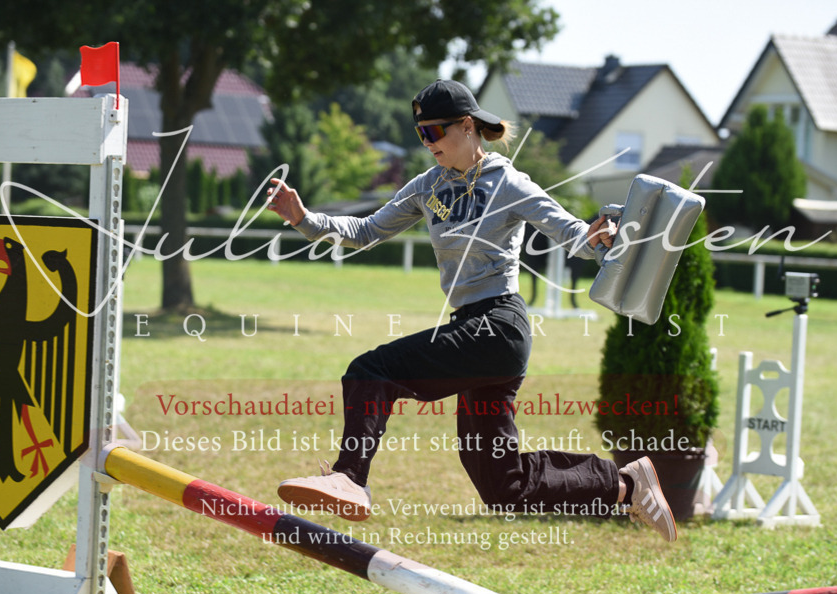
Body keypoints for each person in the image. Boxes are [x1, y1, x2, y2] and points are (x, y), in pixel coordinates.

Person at [265, 79, 678, 542]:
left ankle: (348, 477)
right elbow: (366, 230)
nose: (428, 144)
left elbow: (571, 234)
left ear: (467, 126)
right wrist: (304, 219)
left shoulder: (507, 181)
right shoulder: (427, 187)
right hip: (472, 331)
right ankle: (625, 484)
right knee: (505, 487)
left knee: (371, 371)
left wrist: (599, 235)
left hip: (500, 325)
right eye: (421, 134)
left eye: (435, 133)